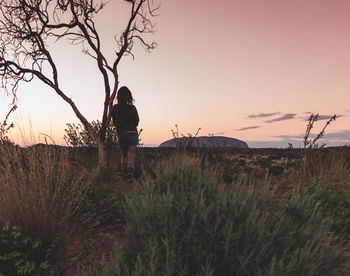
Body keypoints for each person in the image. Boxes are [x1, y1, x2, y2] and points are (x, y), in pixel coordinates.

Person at [112, 86, 139, 177]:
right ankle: (130, 176)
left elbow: (114, 122)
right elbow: (136, 121)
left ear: (118, 96)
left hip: (122, 134)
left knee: (123, 155)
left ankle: (124, 174)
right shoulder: (132, 108)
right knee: (131, 155)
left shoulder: (115, 108)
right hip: (132, 133)